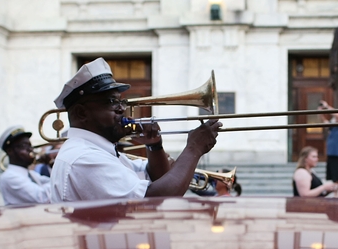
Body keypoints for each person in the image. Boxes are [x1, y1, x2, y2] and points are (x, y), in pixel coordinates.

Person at [50, 57, 221, 202]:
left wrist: (154, 146)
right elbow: (155, 198)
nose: (121, 108)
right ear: (81, 113)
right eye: (111, 102)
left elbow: (160, 178)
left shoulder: (102, 152)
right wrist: (194, 148)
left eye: (121, 102)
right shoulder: (84, 157)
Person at [0, 125, 51, 205]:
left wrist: (51, 164)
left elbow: (53, 183)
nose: (30, 149)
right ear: (10, 151)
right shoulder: (9, 177)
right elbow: (42, 197)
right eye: (24, 146)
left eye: (30, 145)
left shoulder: (31, 174)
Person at [319, 100, 338, 198]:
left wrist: (327, 106)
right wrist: (320, 112)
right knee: (334, 178)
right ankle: (336, 195)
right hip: (331, 154)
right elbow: (324, 121)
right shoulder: (334, 127)